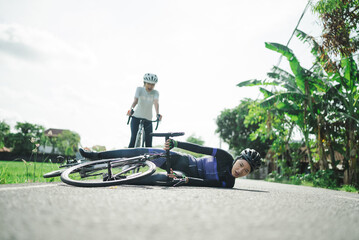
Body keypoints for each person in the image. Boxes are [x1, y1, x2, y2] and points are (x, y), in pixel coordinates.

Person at [79, 138, 261, 188]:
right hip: (181, 159)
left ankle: (118, 179)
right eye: (241, 165)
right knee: (139, 151)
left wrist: (186, 180)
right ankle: (96, 156)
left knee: (156, 178)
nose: (241, 170)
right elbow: (199, 149)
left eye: (246, 171)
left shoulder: (229, 183)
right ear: (238, 159)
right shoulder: (224, 156)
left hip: (183, 176)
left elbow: (206, 183)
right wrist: (177, 144)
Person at [127, 73, 162, 148]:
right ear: (144, 83)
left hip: (148, 119)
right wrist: (131, 109)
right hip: (136, 117)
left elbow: (156, 102)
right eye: (148, 84)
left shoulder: (155, 92)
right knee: (133, 138)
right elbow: (135, 101)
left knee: (149, 142)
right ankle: (128, 158)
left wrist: (158, 114)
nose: (150, 86)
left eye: (153, 84)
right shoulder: (139, 89)